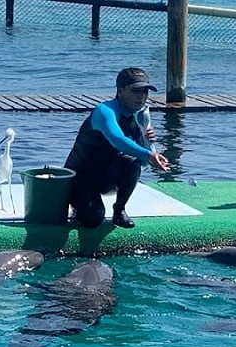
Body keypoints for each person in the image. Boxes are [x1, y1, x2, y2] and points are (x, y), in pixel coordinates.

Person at [64, 67, 170, 229]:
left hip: (106, 176)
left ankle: (119, 210)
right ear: (120, 91)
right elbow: (118, 141)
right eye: (136, 91)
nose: (141, 97)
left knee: (133, 162)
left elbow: (142, 164)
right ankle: (78, 208)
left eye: (145, 92)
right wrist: (148, 154)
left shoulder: (139, 118)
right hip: (80, 178)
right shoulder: (104, 111)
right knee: (93, 219)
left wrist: (146, 142)